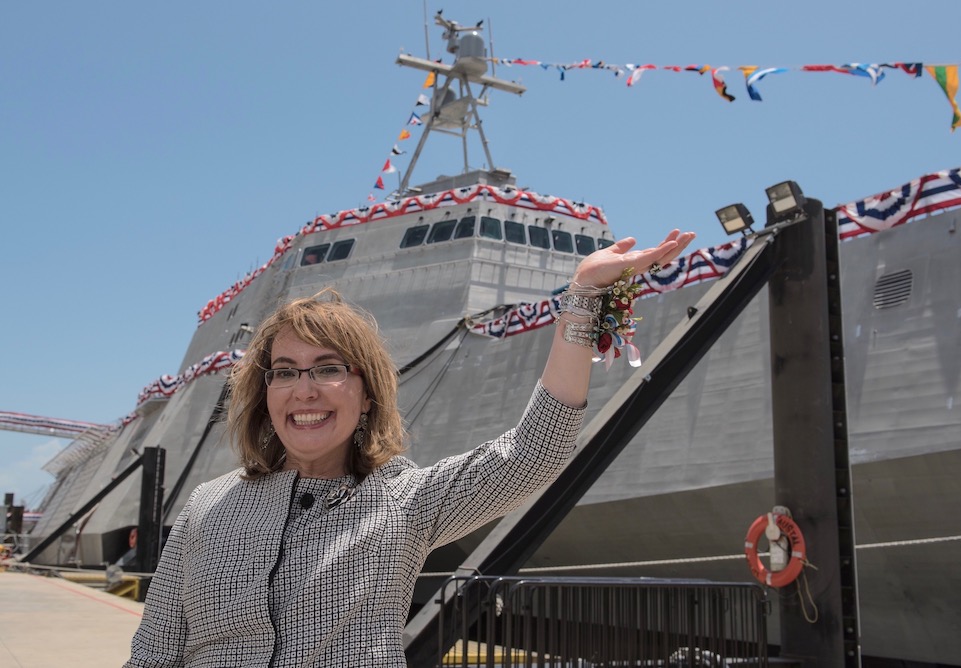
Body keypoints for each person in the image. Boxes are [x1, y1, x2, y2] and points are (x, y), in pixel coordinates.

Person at [125, 230, 695, 667]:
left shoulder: (404, 502)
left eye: (329, 368)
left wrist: (583, 300)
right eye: (284, 372)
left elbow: (534, 454)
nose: (304, 389)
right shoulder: (206, 507)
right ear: (265, 393)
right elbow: (153, 652)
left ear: (367, 394)